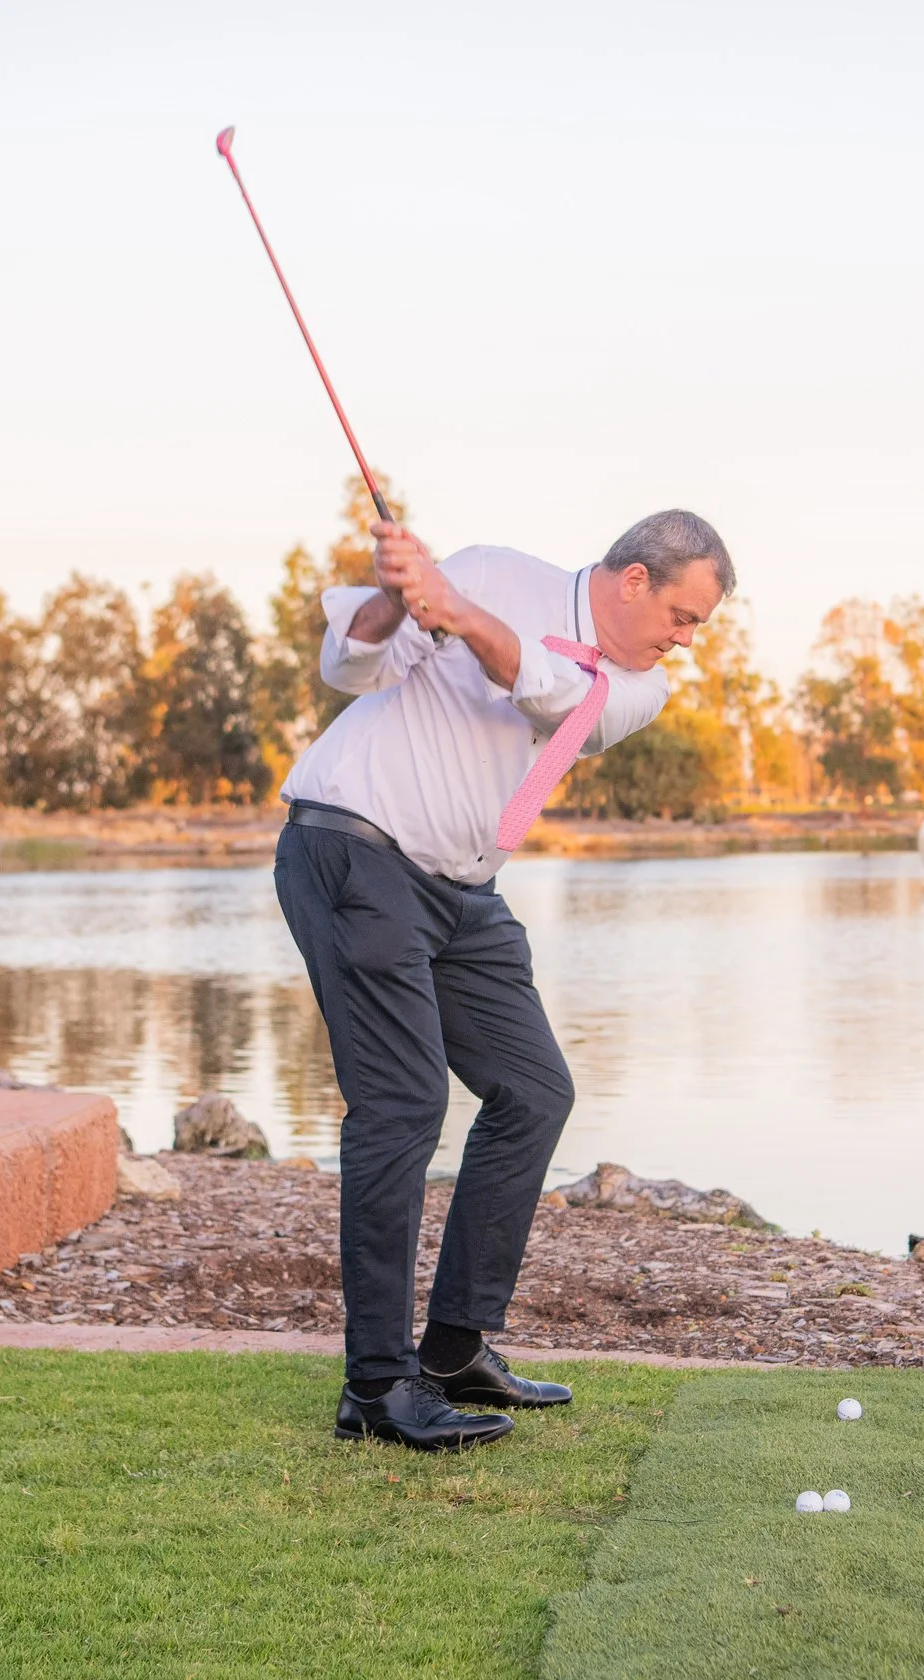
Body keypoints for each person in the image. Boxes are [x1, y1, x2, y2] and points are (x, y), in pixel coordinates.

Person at [273, 509, 734, 1450]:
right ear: (635, 579)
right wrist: (394, 602)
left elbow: (549, 693)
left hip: (462, 888)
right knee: (402, 1106)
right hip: (354, 847)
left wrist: (458, 612)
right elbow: (353, 667)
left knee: (534, 1091)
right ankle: (376, 1387)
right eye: (684, 615)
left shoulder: (637, 686)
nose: (688, 640)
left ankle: (452, 1348)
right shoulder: (491, 569)